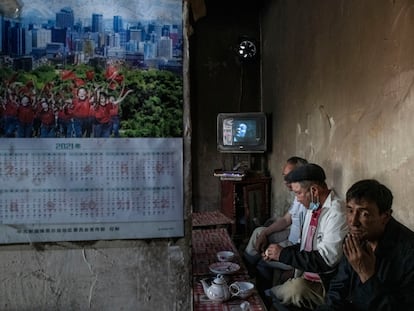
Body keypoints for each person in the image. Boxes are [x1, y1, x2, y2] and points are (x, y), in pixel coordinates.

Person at [315, 179, 414, 311]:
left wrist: (367, 275)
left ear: (385, 217)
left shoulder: (408, 252)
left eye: (364, 214)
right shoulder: (356, 237)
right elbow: (337, 291)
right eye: (350, 211)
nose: (353, 222)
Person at [264, 163, 347, 309]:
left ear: (314, 190)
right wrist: (278, 253)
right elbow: (304, 246)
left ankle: (267, 295)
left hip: (324, 283)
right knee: (284, 290)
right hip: (306, 274)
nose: (297, 199)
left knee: (289, 291)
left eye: (298, 193)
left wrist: (283, 255)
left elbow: (326, 260)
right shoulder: (313, 208)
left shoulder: (337, 213)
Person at [244, 157, 308, 273]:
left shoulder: (309, 199)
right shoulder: (298, 196)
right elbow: (286, 220)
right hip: (290, 236)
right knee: (259, 232)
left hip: (296, 245)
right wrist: (265, 233)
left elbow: (303, 244)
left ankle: (252, 277)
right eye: (284, 176)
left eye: (289, 176)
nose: (285, 181)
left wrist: (279, 250)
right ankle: (244, 268)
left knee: (264, 259)